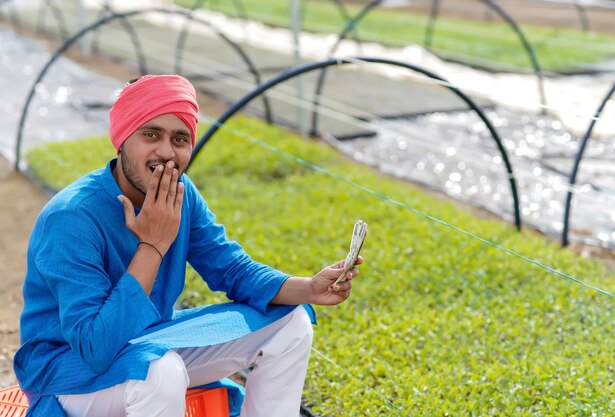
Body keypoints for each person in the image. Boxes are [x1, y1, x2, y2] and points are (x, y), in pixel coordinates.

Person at [13, 74, 363, 417]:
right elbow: (95, 348)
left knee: (292, 322)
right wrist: (152, 246)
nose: (166, 152)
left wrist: (309, 288)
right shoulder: (72, 217)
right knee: (160, 372)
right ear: (122, 139)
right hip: (67, 373)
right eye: (151, 134)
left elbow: (231, 269)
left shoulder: (182, 195)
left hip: (147, 343)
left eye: (180, 139)